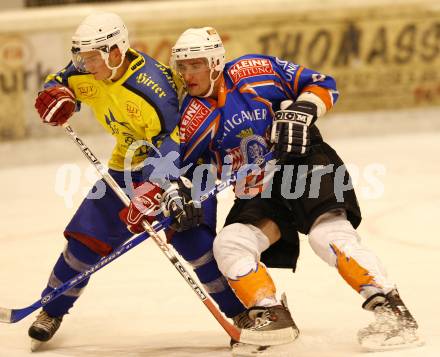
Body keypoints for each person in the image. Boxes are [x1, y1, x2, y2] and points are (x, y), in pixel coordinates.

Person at [163, 26, 421, 351]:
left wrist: (303, 110)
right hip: (259, 190)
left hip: (304, 163)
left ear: (215, 62)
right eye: (182, 66)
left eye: (196, 64)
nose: (187, 74)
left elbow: (322, 84)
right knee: (231, 244)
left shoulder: (252, 72)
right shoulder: (191, 116)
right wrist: (175, 189)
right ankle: (271, 316)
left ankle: (392, 311)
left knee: (328, 237)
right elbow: (178, 166)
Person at [30, 14, 245, 351]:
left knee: (195, 244)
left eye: (90, 58)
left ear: (115, 52)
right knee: (83, 244)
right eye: (81, 57)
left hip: (182, 165)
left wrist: (157, 189)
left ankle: (243, 313)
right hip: (126, 165)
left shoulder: (152, 88)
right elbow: (58, 81)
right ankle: (51, 309)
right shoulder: (86, 72)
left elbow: (169, 144)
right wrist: (55, 97)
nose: (82, 65)